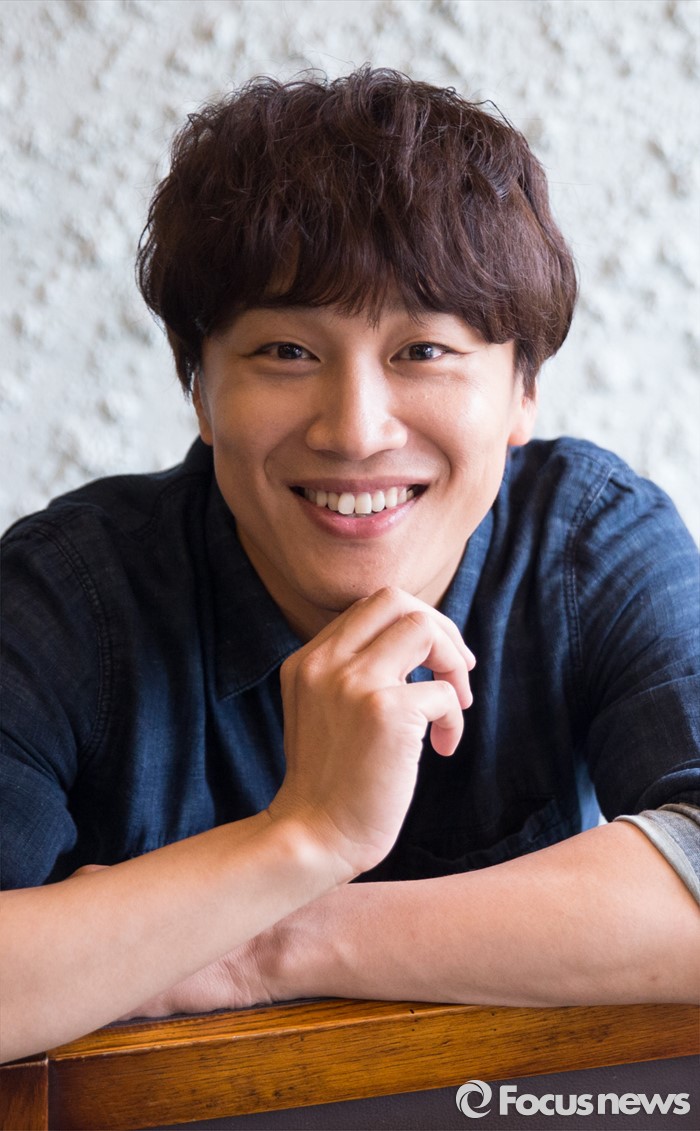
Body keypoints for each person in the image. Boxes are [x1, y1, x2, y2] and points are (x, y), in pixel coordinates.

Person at [1, 68, 698, 1066]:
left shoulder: (588, 542)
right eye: (287, 351)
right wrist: (305, 835)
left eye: (423, 351)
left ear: (522, 392)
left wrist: (270, 943)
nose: (356, 431)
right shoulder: (68, 595)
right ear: (201, 393)